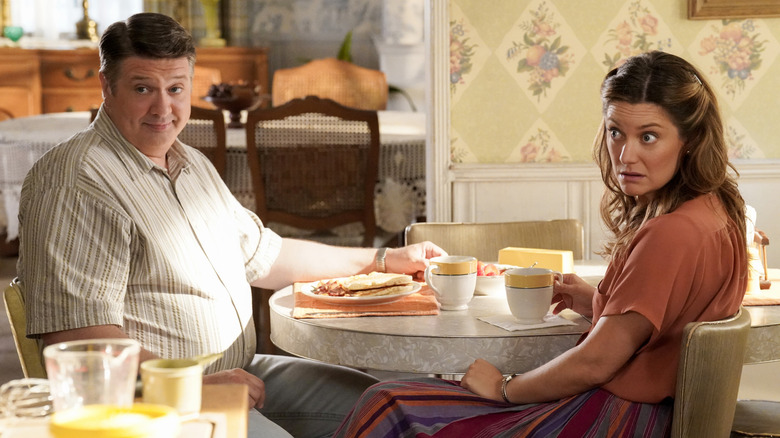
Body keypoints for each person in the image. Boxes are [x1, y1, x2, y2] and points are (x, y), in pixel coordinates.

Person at [16, 12, 445, 438]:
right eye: (143, 88)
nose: (162, 108)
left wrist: (384, 260)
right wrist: (195, 389)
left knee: (391, 407)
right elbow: (80, 342)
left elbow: (266, 255)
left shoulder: (190, 162)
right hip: (156, 404)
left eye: (176, 89)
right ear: (107, 87)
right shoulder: (77, 180)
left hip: (240, 373)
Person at [333, 51, 748, 437]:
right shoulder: (717, 211)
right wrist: (600, 302)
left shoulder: (668, 233)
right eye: (616, 132)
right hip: (658, 417)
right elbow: (664, 326)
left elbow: (596, 362)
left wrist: (505, 387)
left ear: (689, 139)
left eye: (649, 137)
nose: (625, 154)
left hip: (617, 419)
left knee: (387, 403)